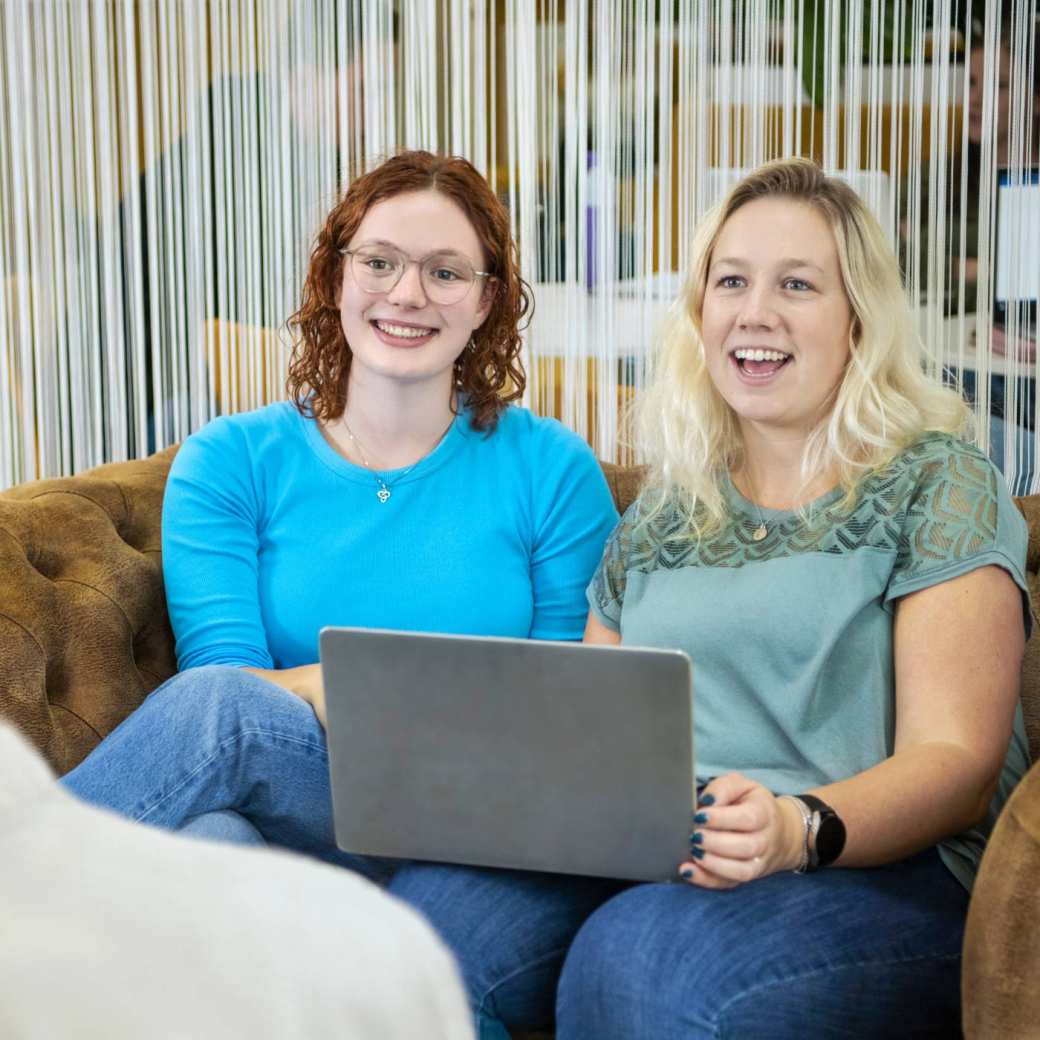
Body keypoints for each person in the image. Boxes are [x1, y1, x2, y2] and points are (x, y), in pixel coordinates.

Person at [384, 158, 1032, 1039]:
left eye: (796, 284)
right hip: (662, 848)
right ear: (700, 313)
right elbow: (590, 736)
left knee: (642, 961)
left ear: (860, 319)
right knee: (415, 939)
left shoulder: (938, 481)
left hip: (872, 867)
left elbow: (958, 764)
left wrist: (794, 829)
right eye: (731, 281)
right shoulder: (662, 512)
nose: (754, 311)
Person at [61, 150, 618, 870]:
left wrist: (345, 687)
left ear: (485, 302)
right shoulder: (230, 462)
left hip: (484, 812)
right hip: (304, 805)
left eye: (445, 272)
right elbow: (224, 673)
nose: (408, 294)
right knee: (211, 842)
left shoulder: (552, 470)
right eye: (379, 262)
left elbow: (563, 706)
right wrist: (325, 691)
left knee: (223, 719)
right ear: (336, 277)